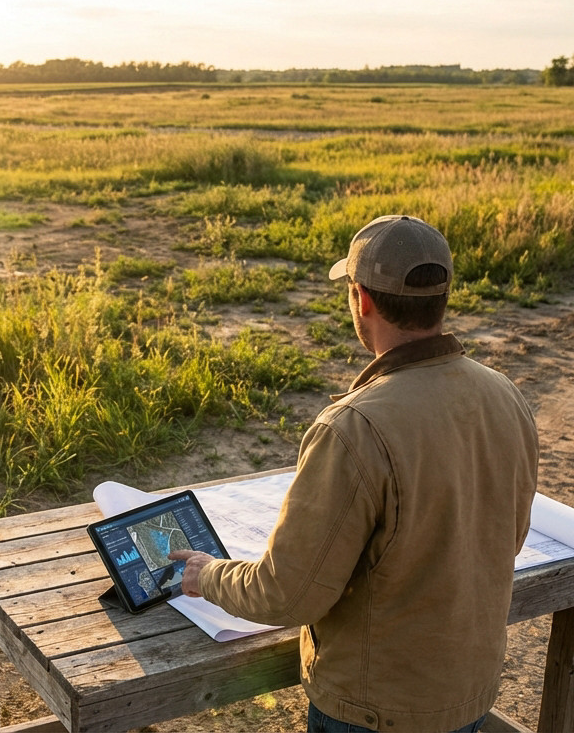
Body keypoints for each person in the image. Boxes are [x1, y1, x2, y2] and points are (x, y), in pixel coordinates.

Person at [171, 215, 538, 733]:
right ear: (442, 296)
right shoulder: (505, 395)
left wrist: (209, 575)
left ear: (361, 299)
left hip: (372, 709)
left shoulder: (354, 427)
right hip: (468, 693)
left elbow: (289, 595)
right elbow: (510, 537)